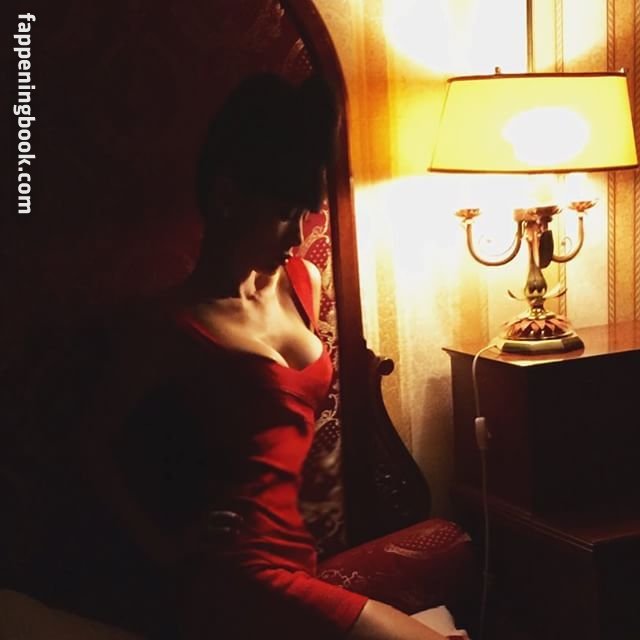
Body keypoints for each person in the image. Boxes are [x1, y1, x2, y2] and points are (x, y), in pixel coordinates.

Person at [63, 73, 465, 639]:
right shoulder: (171, 325)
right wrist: (165, 547)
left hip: (299, 558)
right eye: (284, 213)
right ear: (227, 197)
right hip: (236, 572)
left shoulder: (303, 283)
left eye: (306, 214)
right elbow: (88, 444)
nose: (299, 236)